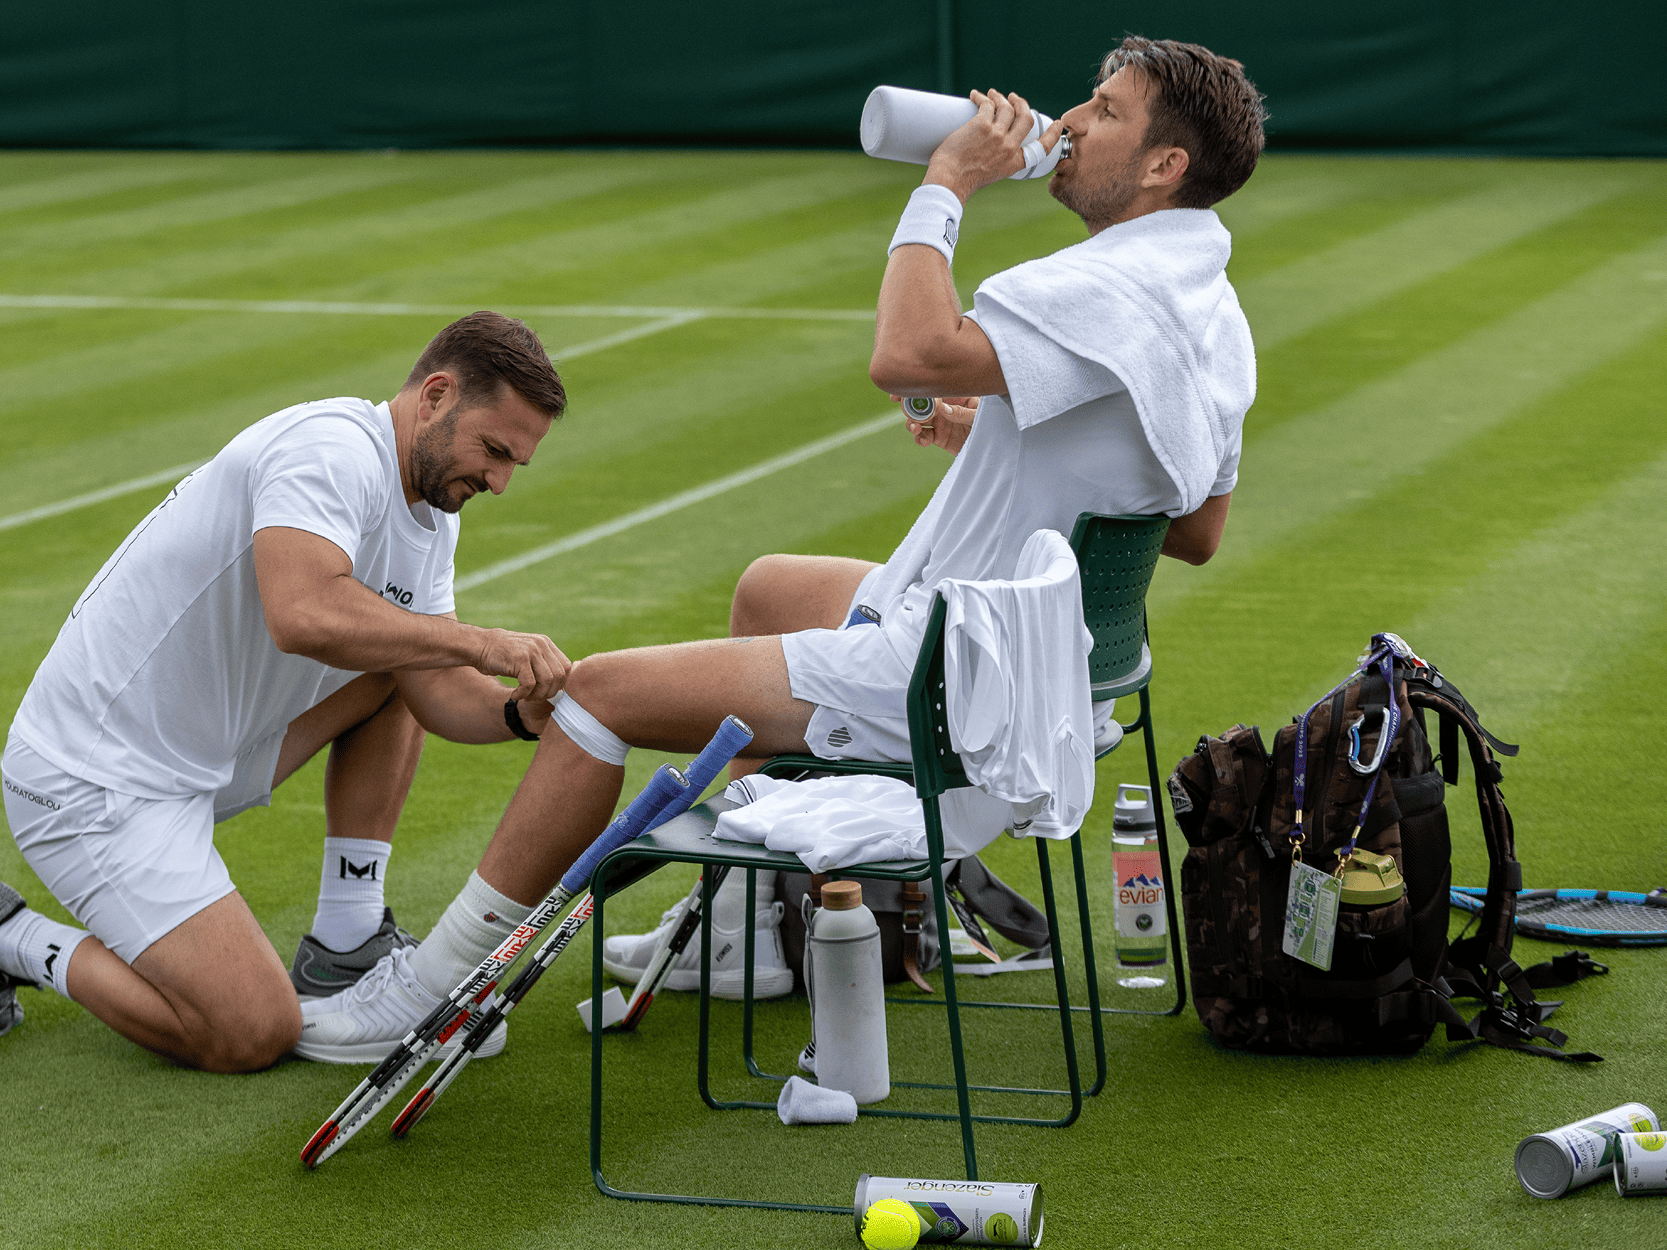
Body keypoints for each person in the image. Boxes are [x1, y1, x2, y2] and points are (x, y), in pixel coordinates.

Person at [298, 36, 1267, 1053]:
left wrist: (947, 181)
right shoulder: (1208, 307)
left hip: (955, 680)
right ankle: (745, 929)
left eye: (1105, 111)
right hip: (1061, 669)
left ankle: (434, 990)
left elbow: (905, 352)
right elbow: (1191, 530)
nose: (1069, 120)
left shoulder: (1107, 286)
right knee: (772, 588)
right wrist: (992, 436)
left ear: (1164, 165)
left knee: (596, 694)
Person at [0, 311, 571, 1072]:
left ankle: (346, 940)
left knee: (402, 657)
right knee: (249, 1032)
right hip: (91, 782)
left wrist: (519, 714)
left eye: (514, 464)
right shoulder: (330, 450)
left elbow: (433, 690)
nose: (499, 482)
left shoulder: (433, 514)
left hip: (208, 757)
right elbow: (302, 613)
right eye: (494, 451)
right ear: (435, 396)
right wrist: (483, 642)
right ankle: (12, 936)